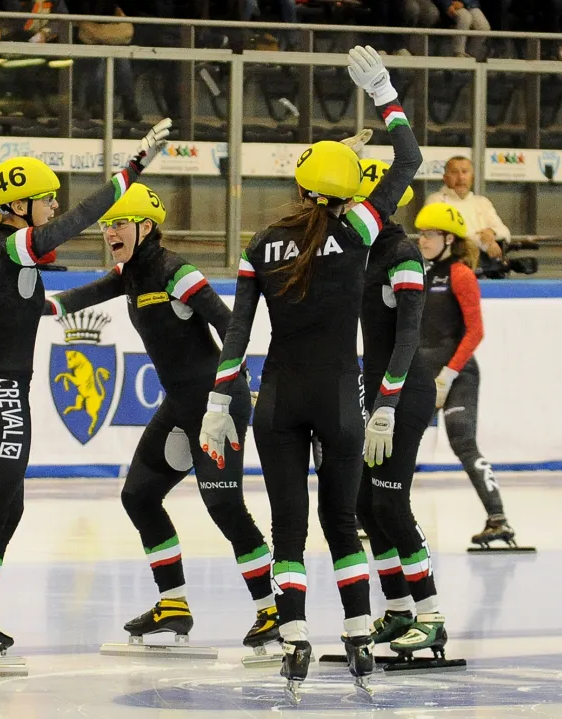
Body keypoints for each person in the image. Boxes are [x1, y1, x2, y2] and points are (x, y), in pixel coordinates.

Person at [199, 46, 421, 700]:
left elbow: (236, 332)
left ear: (298, 188)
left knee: (287, 526)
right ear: (348, 190)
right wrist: (384, 93)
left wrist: (218, 403)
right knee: (341, 522)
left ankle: (294, 635)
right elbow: (407, 161)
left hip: (275, 403)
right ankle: (356, 630)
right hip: (336, 399)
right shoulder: (355, 229)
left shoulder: (260, 244)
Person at [0, 118, 171, 656]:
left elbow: (40, 308)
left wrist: (104, 288)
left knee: (6, 507)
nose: (55, 209)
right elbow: (83, 219)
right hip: (0, 395)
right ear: (19, 207)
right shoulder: (15, 245)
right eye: (47, 200)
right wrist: (130, 171)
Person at [41, 183, 278, 649]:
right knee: (139, 497)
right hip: (179, 405)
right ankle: (173, 605)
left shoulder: (176, 271)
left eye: (119, 223)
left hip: (217, 404)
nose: (110, 231)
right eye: (107, 225)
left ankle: (273, 609)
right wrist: (28, 304)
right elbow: (76, 299)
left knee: (225, 508)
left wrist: (224, 394)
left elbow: (232, 326)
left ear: (146, 227)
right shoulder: (128, 273)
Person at [351, 158, 447, 658]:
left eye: (352, 198)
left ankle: (431, 617)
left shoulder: (403, 254)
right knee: (367, 505)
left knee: (390, 503)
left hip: (405, 393)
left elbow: (409, 336)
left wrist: (385, 403)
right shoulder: (362, 252)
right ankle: (399, 609)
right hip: (381, 391)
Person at [415, 202, 518, 548]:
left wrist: (448, 374)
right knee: (398, 446)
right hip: (424, 375)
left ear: (447, 238)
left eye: (429, 235)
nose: (422, 240)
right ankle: (372, 514)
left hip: (457, 375)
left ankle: (498, 518)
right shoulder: (421, 274)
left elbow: (475, 331)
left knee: (464, 444)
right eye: (421, 234)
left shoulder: (460, 274)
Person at [424, 156, 509, 261]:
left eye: (465, 172)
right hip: (449, 265)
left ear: (472, 177)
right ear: (445, 178)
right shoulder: (436, 201)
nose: (461, 177)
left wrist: (491, 232)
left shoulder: (482, 202)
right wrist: (485, 242)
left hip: (484, 266)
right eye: (455, 172)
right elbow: (450, 237)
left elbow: (505, 232)